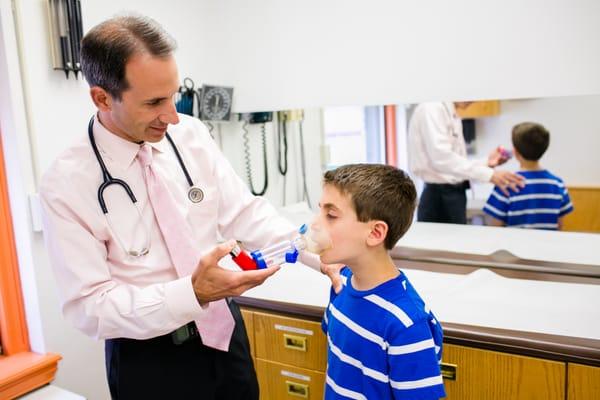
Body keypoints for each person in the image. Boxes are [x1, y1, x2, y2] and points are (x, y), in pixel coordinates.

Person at [39, 14, 334, 399]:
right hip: (149, 359)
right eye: (154, 102)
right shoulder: (67, 182)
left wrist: (322, 253)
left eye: (174, 94)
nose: (173, 115)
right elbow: (89, 306)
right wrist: (191, 293)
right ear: (102, 97)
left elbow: (244, 213)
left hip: (226, 336)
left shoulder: (189, 135)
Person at [317, 164, 446, 399]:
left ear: (375, 233)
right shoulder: (341, 285)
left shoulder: (406, 324)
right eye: (319, 211)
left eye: (331, 215)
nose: (315, 224)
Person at [408, 101, 524, 224]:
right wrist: (489, 174)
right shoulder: (432, 108)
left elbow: (454, 161)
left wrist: (487, 162)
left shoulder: (451, 113)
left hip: (453, 194)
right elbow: (441, 159)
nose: (472, 100)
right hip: (440, 197)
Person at [483, 122, 573, 230]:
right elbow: (559, 225)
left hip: (514, 246)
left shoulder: (507, 184)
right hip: (548, 246)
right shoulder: (558, 184)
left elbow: (495, 227)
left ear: (515, 152)